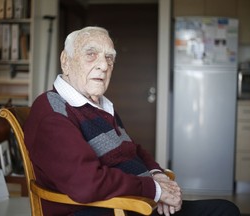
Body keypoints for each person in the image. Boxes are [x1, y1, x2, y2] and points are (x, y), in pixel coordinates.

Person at [24, 26, 240, 216]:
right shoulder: (53, 112)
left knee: (225, 209)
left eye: (109, 58)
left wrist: (158, 176)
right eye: (91, 54)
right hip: (111, 210)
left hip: (136, 202)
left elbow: (131, 150)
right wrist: (154, 190)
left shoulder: (100, 105)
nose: (104, 65)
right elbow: (86, 184)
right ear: (65, 61)